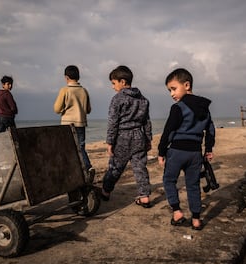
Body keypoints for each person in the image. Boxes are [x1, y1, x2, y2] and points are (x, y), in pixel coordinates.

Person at [158, 68, 215, 231]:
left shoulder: (178, 107)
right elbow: (210, 130)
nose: (171, 94)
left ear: (187, 85)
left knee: (169, 180)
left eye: (173, 89)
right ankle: (196, 219)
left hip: (176, 152)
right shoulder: (205, 108)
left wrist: (161, 152)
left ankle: (177, 212)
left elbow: (168, 131)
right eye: (169, 90)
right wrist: (209, 148)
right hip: (196, 153)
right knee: (193, 185)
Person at [101, 65, 153, 207]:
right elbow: (147, 122)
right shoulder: (143, 100)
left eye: (114, 83)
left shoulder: (117, 99)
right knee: (140, 167)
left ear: (123, 82)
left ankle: (105, 191)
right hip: (139, 136)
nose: (113, 87)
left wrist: (109, 142)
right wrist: (148, 139)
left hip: (122, 138)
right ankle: (144, 196)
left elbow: (113, 122)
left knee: (116, 167)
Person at [54, 65, 93, 175]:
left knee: (67, 148)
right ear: (78, 77)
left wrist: (64, 109)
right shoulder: (84, 91)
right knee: (80, 147)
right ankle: (87, 167)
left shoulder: (65, 90)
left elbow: (57, 109)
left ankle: (72, 170)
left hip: (67, 124)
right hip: (81, 123)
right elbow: (88, 110)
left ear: (66, 77)